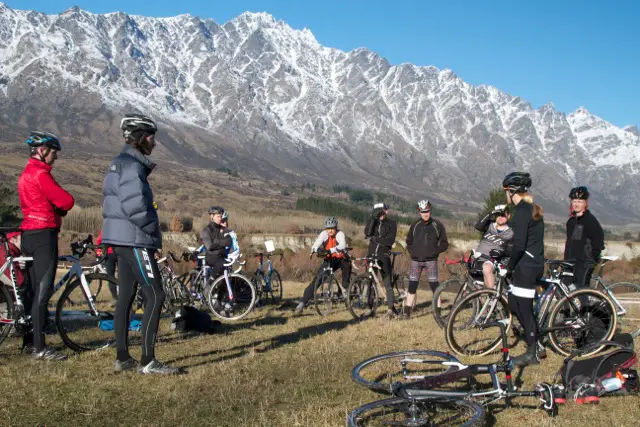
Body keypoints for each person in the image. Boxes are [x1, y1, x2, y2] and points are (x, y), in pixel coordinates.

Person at [102, 114, 180, 375]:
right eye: (150, 137)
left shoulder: (118, 163)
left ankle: (123, 357)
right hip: (134, 239)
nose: (154, 142)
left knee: (125, 296)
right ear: (138, 138)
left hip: (120, 239)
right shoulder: (133, 167)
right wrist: (151, 233)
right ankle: (148, 360)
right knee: (155, 294)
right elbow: (135, 207)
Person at [18, 131, 75, 360]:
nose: (56, 157)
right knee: (43, 289)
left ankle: (30, 342)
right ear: (42, 151)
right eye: (53, 152)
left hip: (28, 234)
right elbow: (66, 200)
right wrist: (60, 209)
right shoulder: (41, 174)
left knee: (31, 290)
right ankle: (40, 348)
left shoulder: (25, 174)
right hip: (44, 234)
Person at [502, 172, 545, 367]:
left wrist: (509, 268)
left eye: (505, 192)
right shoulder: (529, 208)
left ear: (511, 191)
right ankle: (536, 342)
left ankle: (532, 353)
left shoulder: (522, 211)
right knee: (513, 302)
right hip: (528, 264)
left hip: (527, 266)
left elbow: (519, 245)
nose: (505, 196)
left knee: (524, 309)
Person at [294, 216, 351, 315]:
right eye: (328, 228)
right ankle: (301, 304)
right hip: (330, 259)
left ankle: (346, 291)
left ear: (336, 227)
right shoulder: (324, 234)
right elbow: (316, 244)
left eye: (332, 228)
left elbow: (342, 245)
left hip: (341, 258)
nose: (330, 230)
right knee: (317, 280)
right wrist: (315, 249)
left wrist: (331, 250)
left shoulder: (340, 234)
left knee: (346, 268)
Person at [404, 199, 449, 318]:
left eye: (427, 211)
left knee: (434, 285)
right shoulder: (415, 224)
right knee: (412, 285)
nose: (425, 214)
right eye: (423, 211)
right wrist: (412, 251)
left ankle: (438, 312)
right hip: (416, 261)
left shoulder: (437, 225)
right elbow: (408, 241)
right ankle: (407, 313)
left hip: (431, 261)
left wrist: (435, 251)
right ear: (419, 211)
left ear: (430, 210)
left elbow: (444, 243)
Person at [564, 187, 604, 291]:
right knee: (565, 288)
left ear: (586, 203)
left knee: (582, 291)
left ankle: (587, 308)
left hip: (585, 263)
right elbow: (570, 243)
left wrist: (592, 257)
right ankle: (567, 308)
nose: (576, 204)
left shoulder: (590, 220)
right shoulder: (571, 222)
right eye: (574, 201)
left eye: (580, 201)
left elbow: (598, 241)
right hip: (571, 262)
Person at [364, 203, 398, 318]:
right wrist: (373, 218)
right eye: (379, 211)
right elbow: (367, 233)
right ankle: (369, 308)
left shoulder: (392, 224)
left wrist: (375, 239)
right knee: (369, 282)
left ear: (386, 211)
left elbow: (389, 241)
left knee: (387, 283)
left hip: (383, 256)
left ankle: (390, 310)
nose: (381, 213)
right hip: (371, 255)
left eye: (383, 210)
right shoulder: (373, 222)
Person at [473, 204, 514, 289]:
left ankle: (491, 295)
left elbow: (512, 249)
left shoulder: (511, 232)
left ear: (508, 216)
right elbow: (478, 226)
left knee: (487, 268)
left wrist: (501, 253)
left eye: (503, 215)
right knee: (476, 287)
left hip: (493, 260)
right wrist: (491, 213)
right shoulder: (489, 225)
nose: (500, 217)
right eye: (498, 215)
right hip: (478, 257)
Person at [200, 206, 233, 282]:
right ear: (212, 217)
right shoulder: (206, 230)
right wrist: (222, 243)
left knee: (226, 272)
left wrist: (216, 242)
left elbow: (229, 241)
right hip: (211, 257)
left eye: (221, 216)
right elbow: (210, 246)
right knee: (220, 262)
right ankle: (209, 284)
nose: (220, 218)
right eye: (218, 216)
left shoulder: (222, 229)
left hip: (222, 255)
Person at [95, 230, 118, 302]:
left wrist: (98, 252)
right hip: (119, 253)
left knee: (110, 277)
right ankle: (120, 297)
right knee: (122, 277)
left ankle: (115, 297)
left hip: (109, 254)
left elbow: (99, 241)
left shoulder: (107, 227)